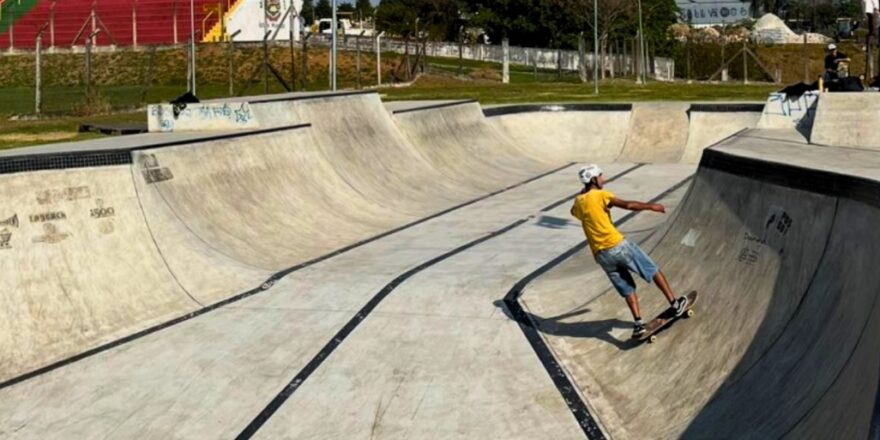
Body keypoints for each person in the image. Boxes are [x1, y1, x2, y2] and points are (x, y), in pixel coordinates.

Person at [570, 165, 689, 338]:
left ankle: (638, 324)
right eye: (600, 177)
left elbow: (574, 211)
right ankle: (675, 305)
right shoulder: (602, 195)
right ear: (594, 179)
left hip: (601, 256)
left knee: (627, 288)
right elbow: (628, 205)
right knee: (653, 270)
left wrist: (584, 193)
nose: (604, 179)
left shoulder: (579, 202)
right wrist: (651, 206)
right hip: (618, 246)